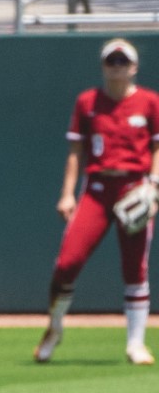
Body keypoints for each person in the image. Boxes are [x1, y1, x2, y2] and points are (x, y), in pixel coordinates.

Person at [35, 37, 158, 366]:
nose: (117, 67)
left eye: (122, 61)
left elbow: (157, 147)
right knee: (67, 263)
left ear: (134, 67)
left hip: (135, 187)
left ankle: (135, 343)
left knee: (135, 267)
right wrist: (67, 193)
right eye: (111, 61)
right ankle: (54, 327)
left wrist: (154, 185)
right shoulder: (88, 101)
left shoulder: (149, 102)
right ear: (103, 66)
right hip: (98, 188)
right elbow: (76, 151)